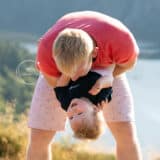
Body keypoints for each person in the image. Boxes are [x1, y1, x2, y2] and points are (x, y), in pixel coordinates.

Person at [27, 11, 142, 160]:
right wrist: (67, 77)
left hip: (105, 66)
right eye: (69, 71)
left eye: (78, 72)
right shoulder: (46, 51)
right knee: (39, 137)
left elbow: (129, 63)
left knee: (125, 132)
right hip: (60, 78)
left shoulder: (119, 39)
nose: (75, 77)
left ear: (94, 54)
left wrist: (107, 76)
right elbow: (53, 83)